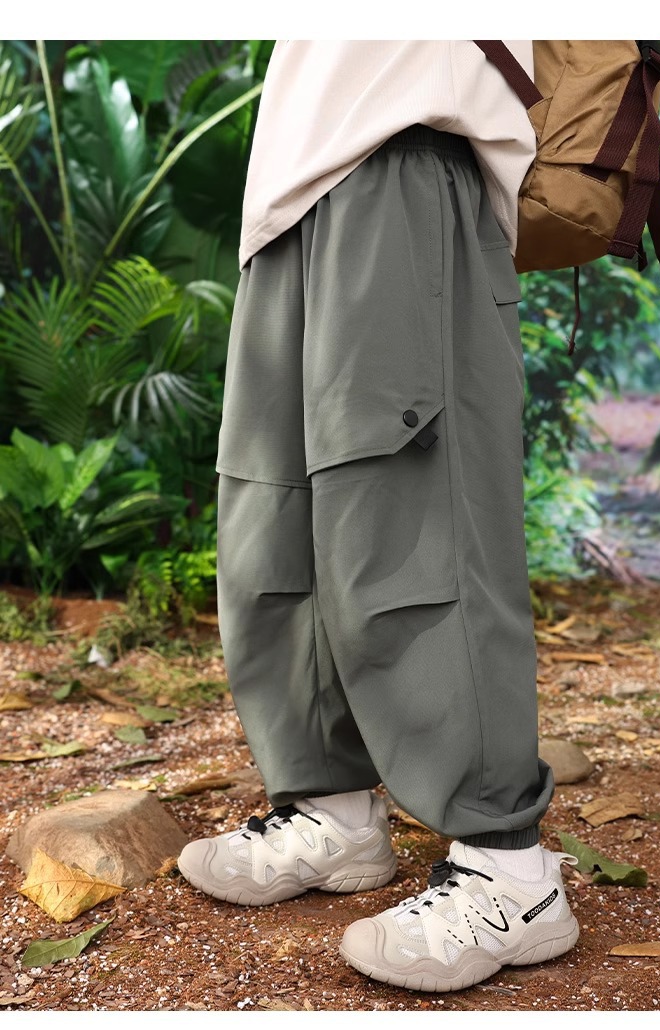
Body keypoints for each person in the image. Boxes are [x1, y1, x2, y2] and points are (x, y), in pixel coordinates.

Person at [177, 39, 580, 994]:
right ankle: (334, 812)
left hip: (407, 149)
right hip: (290, 186)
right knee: (274, 514)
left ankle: (512, 874)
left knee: (412, 522)